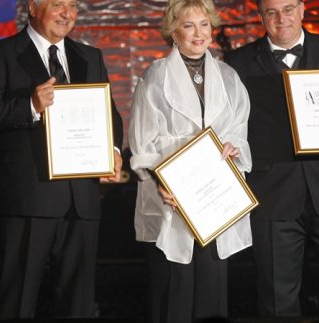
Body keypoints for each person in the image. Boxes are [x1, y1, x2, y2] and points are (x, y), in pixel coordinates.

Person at [0, 0, 123, 319]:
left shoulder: (89, 56)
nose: (67, 13)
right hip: (26, 200)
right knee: (17, 300)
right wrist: (30, 106)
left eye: (73, 6)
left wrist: (114, 151)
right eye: (57, 5)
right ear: (33, 8)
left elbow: (110, 113)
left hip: (81, 199)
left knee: (78, 303)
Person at [224, 0, 319, 317]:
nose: (281, 19)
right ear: (261, 16)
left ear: (303, 9)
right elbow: (227, 118)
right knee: (277, 302)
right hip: (273, 195)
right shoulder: (238, 61)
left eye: (288, 8)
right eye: (271, 12)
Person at [128, 0, 252, 322]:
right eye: (188, 25)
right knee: (174, 290)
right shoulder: (154, 76)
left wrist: (232, 147)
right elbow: (141, 142)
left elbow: (239, 130)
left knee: (212, 289)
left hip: (213, 200)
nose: (199, 33)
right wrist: (160, 184)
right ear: (173, 31)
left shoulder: (228, 76)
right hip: (172, 199)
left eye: (204, 24)